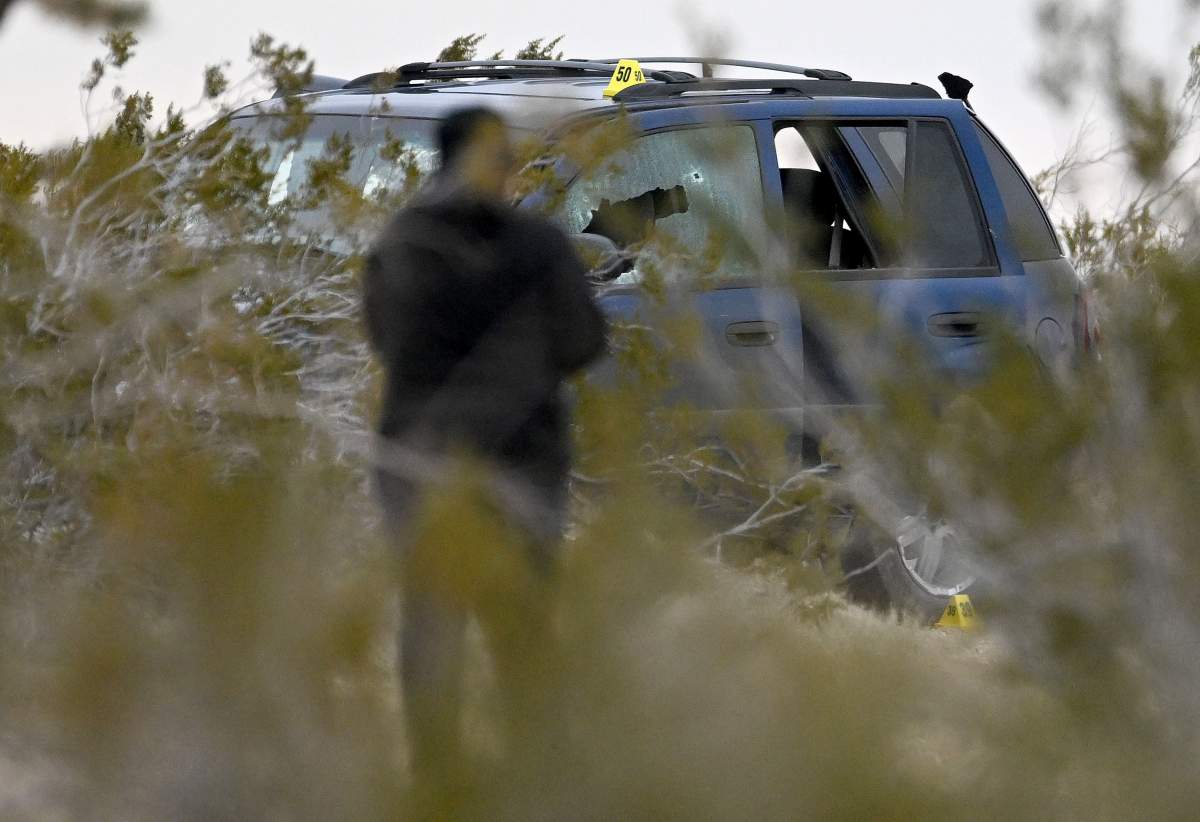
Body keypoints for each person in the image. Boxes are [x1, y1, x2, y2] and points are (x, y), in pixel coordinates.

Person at [362, 107, 608, 771]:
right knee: (523, 631)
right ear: (498, 164)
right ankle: (537, 781)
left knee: (431, 626)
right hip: (522, 466)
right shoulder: (538, 246)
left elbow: (382, 335)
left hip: (419, 461)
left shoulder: (402, 241)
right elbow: (584, 340)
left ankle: (435, 779)